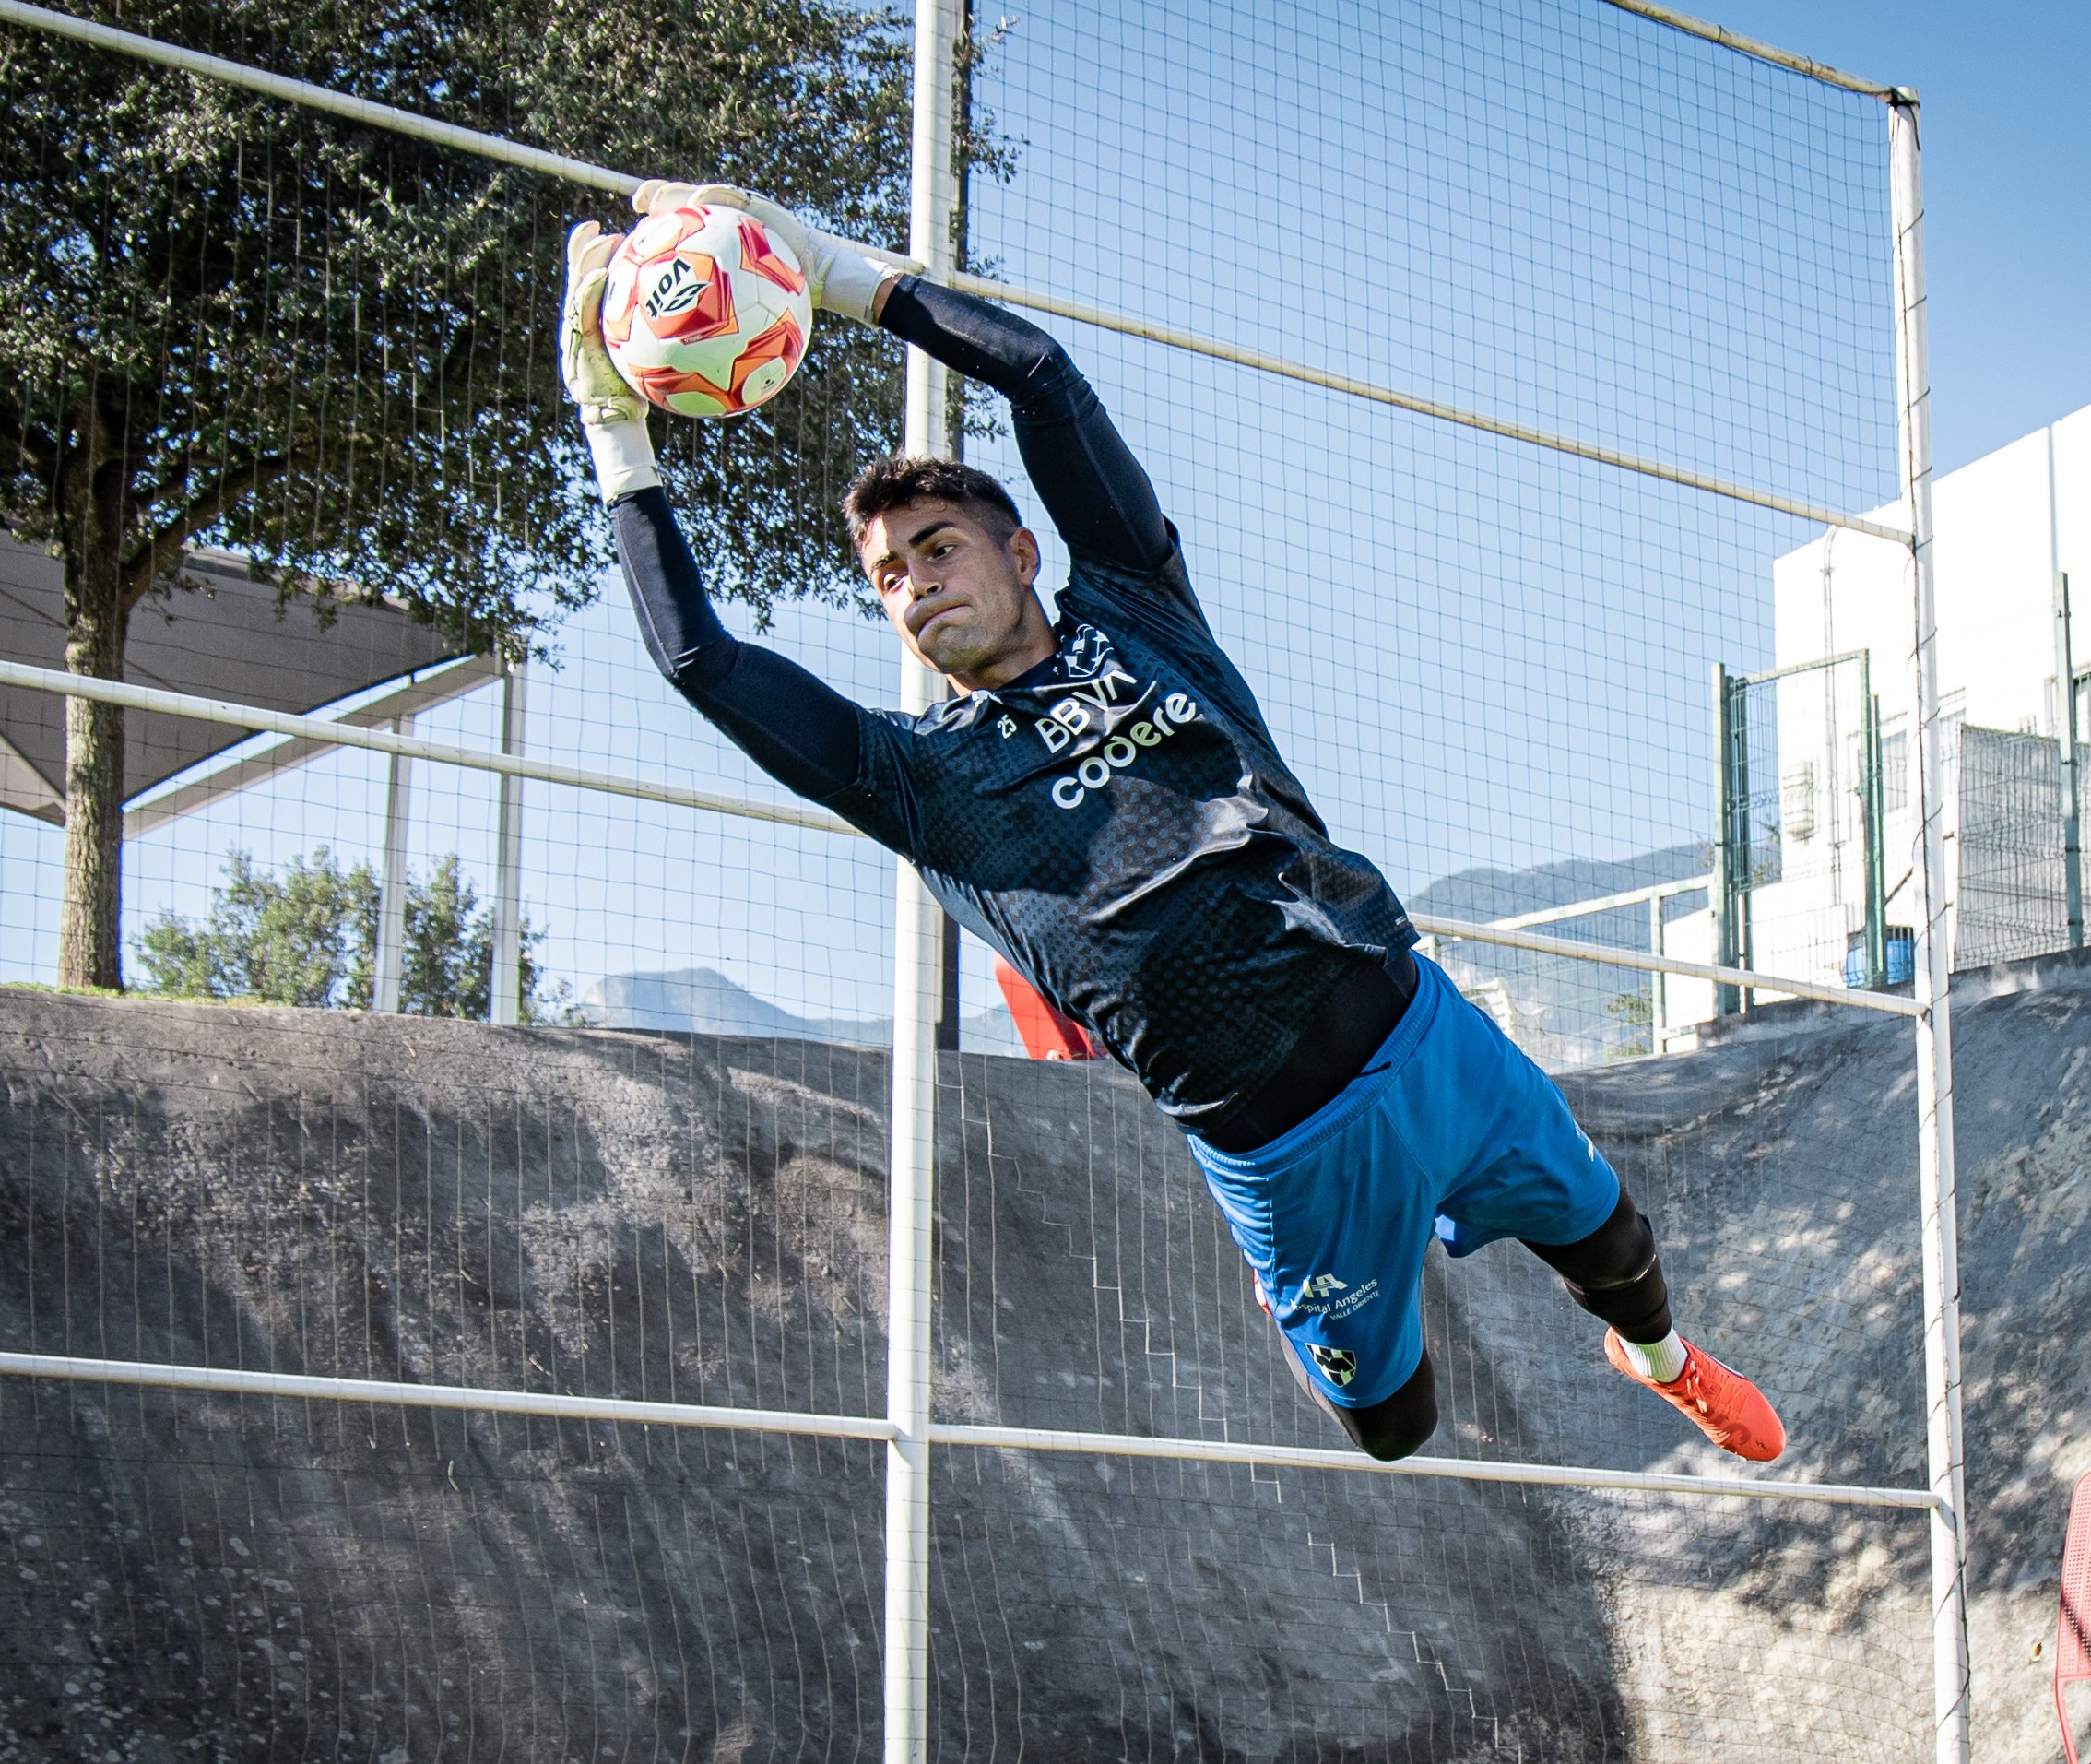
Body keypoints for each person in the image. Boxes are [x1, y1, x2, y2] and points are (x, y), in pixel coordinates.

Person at [560, 184, 1784, 1465]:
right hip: (1283, 1154)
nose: (915, 584)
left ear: (1020, 551)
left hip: (1420, 1033)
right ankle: (1318, 1290)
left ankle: (1663, 1366)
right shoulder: (908, 776)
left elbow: (1044, 380)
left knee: (1614, 1246)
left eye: (935, 548)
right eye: (887, 579)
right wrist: (616, 435)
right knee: (1393, 1429)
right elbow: (701, 660)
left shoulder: (1139, 610)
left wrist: (838, 277)